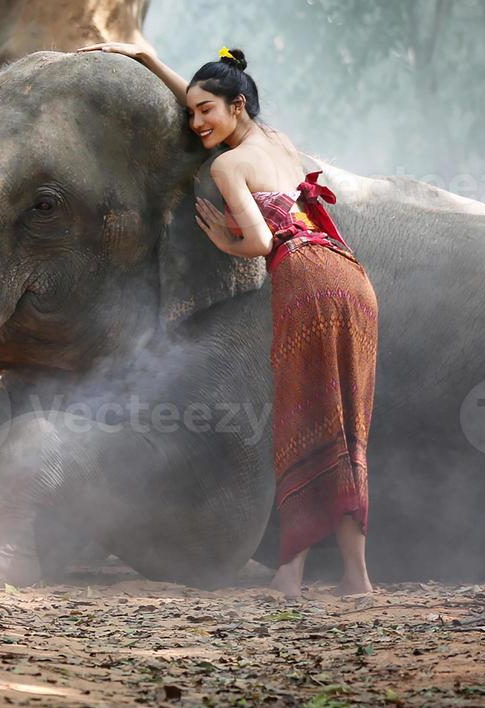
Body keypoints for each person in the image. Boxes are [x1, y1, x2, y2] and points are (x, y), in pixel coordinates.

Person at [75, 41, 378, 599]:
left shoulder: (229, 164)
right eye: (189, 112)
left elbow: (262, 241)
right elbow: (214, 101)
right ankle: (356, 576)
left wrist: (225, 239)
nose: (194, 123)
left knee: (301, 422)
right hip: (351, 279)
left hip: (305, 283)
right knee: (344, 426)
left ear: (237, 105)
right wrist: (147, 58)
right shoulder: (279, 143)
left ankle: (290, 575)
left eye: (205, 111)